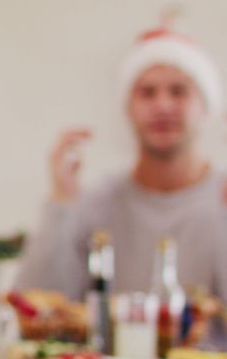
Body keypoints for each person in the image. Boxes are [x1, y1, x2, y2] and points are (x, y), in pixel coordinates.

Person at [14, 24, 227, 317]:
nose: (163, 105)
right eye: (147, 93)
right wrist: (61, 202)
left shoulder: (221, 199)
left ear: (206, 108)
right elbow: (36, 308)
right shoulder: (99, 203)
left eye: (179, 92)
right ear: (128, 108)